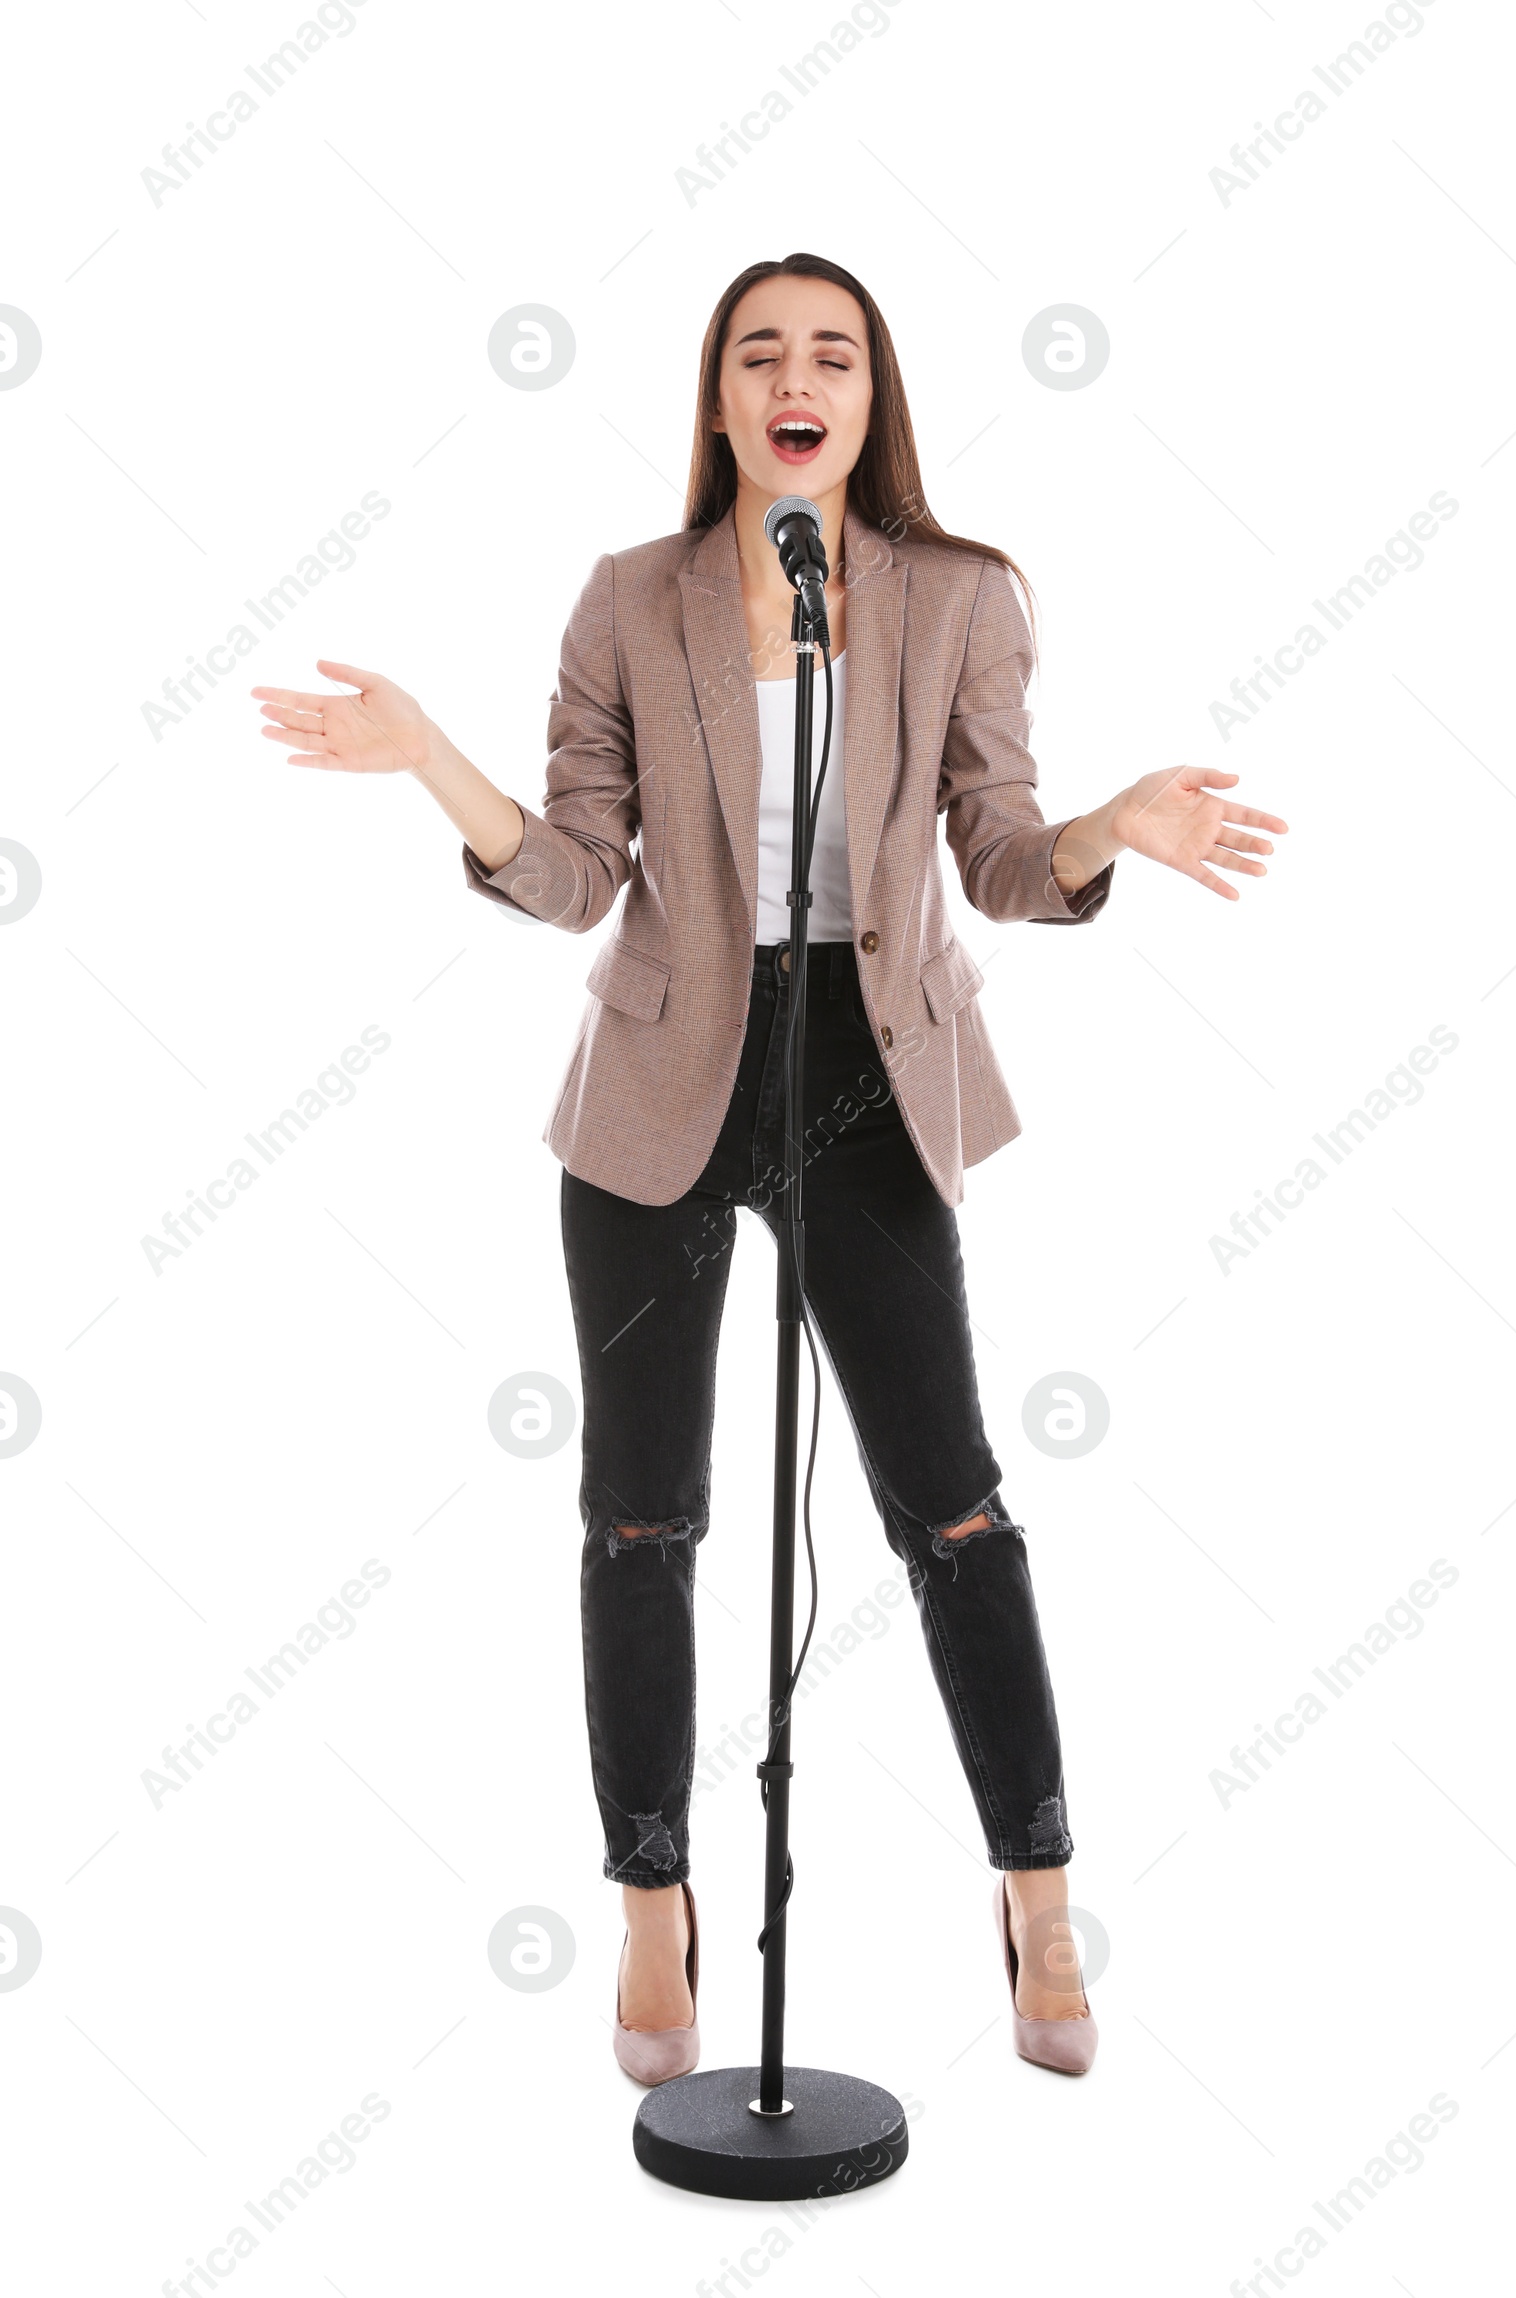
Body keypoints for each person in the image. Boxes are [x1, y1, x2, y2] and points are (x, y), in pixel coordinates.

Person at [252, 251, 1286, 2085]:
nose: (796, 378)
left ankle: (1036, 1883)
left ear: (871, 398)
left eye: (833, 354)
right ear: (718, 395)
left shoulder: (958, 595)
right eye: (760, 352)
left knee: (950, 1503)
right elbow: (575, 870)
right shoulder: (629, 599)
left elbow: (999, 860)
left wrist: (1109, 825)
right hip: (664, 1073)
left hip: (871, 1074)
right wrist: (432, 763)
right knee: (641, 1516)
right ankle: (654, 1904)